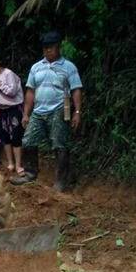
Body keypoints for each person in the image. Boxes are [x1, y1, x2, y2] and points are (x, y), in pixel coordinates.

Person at [11, 31, 83, 192]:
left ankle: (60, 180)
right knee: (28, 141)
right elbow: (30, 91)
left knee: (59, 144)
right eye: (45, 48)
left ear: (58, 48)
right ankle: (30, 173)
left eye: (51, 48)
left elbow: (76, 89)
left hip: (59, 109)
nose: (47, 51)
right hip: (38, 110)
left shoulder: (69, 67)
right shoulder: (36, 67)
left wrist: (77, 112)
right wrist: (26, 113)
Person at [0, 49, 25, 176]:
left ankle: (19, 165)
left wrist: (0, 85)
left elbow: (13, 92)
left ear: (0, 61)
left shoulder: (8, 74)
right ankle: (10, 163)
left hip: (14, 109)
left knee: (15, 135)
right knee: (4, 136)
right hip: (0, 109)